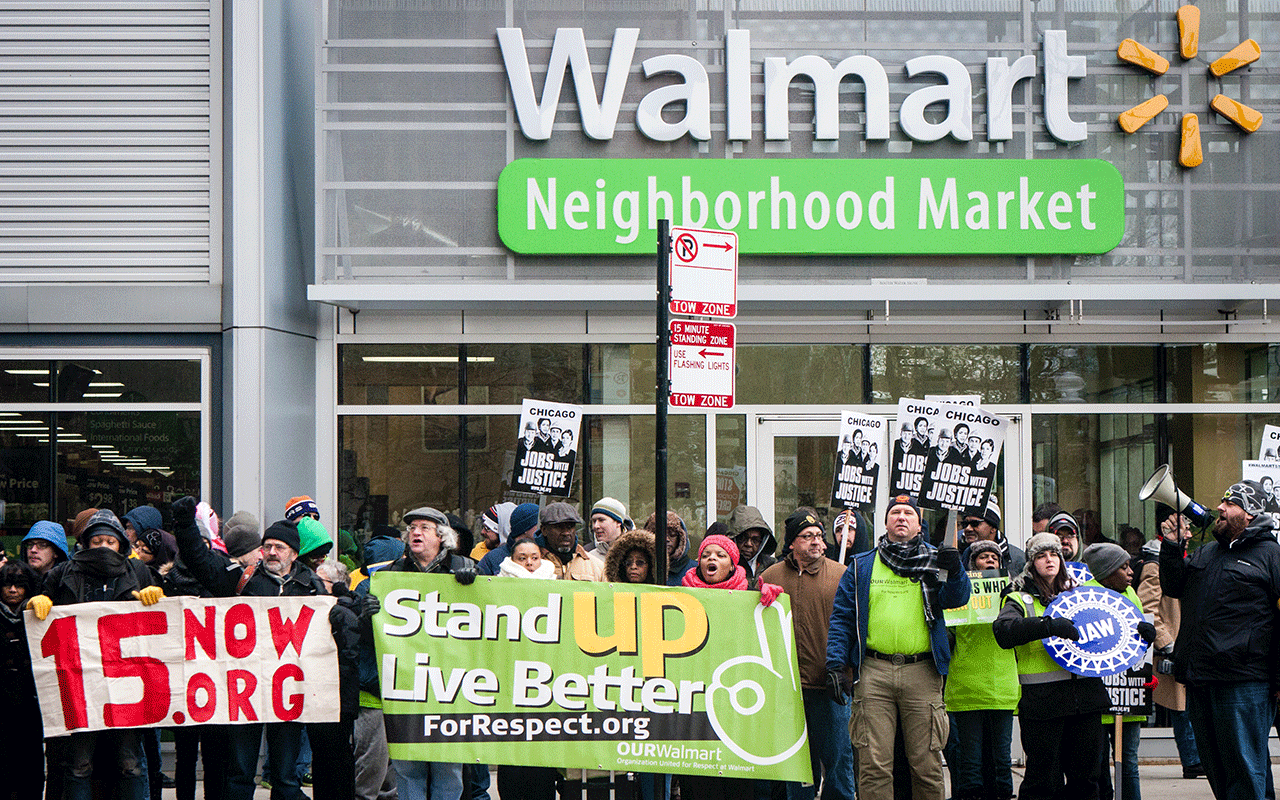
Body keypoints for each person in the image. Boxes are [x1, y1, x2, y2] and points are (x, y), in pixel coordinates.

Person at [170, 497, 328, 800]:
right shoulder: (240, 578)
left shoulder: (311, 587)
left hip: (289, 690)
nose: (271, 552)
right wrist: (185, 522)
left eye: (279, 547)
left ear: (294, 554)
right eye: (266, 546)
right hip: (246, 690)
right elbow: (199, 560)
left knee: (285, 774)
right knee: (240, 772)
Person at [825, 494, 970, 800]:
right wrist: (836, 663)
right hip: (873, 673)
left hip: (923, 672)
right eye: (895, 512)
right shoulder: (862, 565)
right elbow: (842, 617)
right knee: (873, 766)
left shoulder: (936, 560)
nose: (901, 517)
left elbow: (956, 600)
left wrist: (956, 571)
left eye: (908, 513)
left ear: (920, 524)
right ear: (886, 522)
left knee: (926, 765)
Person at [27, 509, 165, 800]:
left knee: (131, 765)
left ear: (120, 545)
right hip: (80, 685)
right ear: (86, 544)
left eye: (110, 542)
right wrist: (37, 602)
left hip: (125, 685)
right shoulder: (63, 573)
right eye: (97, 541)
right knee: (79, 764)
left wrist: (155, 603)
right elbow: (42, 612)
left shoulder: (137, 572)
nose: (103, 547)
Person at [1159, 480, 1280, 800]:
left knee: (1243, 768)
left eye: (1231, 504)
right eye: (1223, 502)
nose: (1221, 509)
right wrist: (1171, 546)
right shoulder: (1208, 553)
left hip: (1244, 680)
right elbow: (1174, 587)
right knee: (1217, 768)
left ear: (1250, 514)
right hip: (1202, 678)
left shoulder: (1270, 555)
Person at [993, 533, 1108, 800]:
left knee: (1087, 782)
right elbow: (1004, 631)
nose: (1049, 560)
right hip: (1044, 705)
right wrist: (1047, 626)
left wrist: (1139, 631)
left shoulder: (1083, 592)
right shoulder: (1017, 596)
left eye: (1054, 554)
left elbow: (1111, 621)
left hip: (1086, 701)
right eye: (1042, 556)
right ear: (1031, 563)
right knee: (1042, 783)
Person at [759, 510, 855, 800]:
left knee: (838, 756)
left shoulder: (841, 575)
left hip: (830, 685)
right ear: (791, 543)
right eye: (807, 536)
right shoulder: (770, 576)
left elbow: (854, 626)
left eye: (819, 536)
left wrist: (847, 669)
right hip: (786, 687)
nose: (816, 542)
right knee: (796, 762)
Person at [679, 534, 782, 800]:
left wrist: (770, 602)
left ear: (733, 564)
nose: (711, 559)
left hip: (737, 700)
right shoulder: (680, 595)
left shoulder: (750, 594)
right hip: (695, 700)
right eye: (705, 555)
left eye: (720, 555)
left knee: (737, 783)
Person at [385, 507, 476, 800]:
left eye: (424, 527)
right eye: (411, 527)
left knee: (448, 766)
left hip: (451, 685)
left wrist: (475, 585)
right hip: (408, 683)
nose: (415, 532)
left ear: (442, 536)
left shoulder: (465, 566)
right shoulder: (392, 573)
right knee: (408, 765)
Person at [1080, 543, 1157, 800]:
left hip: (1128, 696)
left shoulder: (1130, 593)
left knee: (1129, 762)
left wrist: (1147, 668)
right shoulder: (1085, 597)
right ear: (1106, 571)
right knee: (1098, 764)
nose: (1130, 572)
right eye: (1123, 567)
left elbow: (1139, 643)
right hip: (1098, 698)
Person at [943, 540, 1019, 800]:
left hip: (1001, 687)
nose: (989, 561)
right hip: (967, 686)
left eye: (994, 558)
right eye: (983, 556)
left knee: (1001, 761)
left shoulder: (1013, 595)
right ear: (971, 563)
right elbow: (947, 635)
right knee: (970, 763)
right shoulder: (958, 593)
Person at [1135, 505, 1203, 779]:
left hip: (1189, 643)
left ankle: (1196, 759)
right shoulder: (1155, 565)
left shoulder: (1186, 559)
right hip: (1174, 647)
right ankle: (1193, 760)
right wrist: (1167, 643)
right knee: (1182, 709)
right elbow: (1148, 606)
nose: (1188, 533)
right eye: (1184, 529)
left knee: (1189, 707)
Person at [0, 559, 44, 800]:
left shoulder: (40, 615)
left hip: (31, 701)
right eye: (7, 585)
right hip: (3, 702)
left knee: (31, 758)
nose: (13, 590)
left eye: (19, 585)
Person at [536, 502, 604, 581]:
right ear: (544, 530)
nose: (566, 533)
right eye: (559, 527)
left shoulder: (596, 566)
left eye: (570, 527)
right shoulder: (530, 563)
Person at [959, 497, 1025, 576]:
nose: (968, 528)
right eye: (965, 524)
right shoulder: (952, 553)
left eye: (975, 523)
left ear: (993, 528)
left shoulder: (1017, 558)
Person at [477, 503, 540, 576]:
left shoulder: (544, 553)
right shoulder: (493, 558)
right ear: (525, 528)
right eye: (537, 524)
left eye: (535, 558)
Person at [726, 504, 777, 584]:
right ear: (734, 539)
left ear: (762, 542)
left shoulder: (772, 567)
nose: (749, 544)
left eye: (755, 540)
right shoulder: (724, 567)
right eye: (743, 538)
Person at [645, 511, 694, 585]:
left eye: (672, 534)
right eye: (659, 534)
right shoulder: (638, 569)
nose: (666, 539)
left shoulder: (695, 571)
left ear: (681, 539)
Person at [585, 497, 631, 562]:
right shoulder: (588, 555)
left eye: (601, 520)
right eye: (594, 521)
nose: (595, 526)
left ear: (618, 523)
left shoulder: (635, 552)